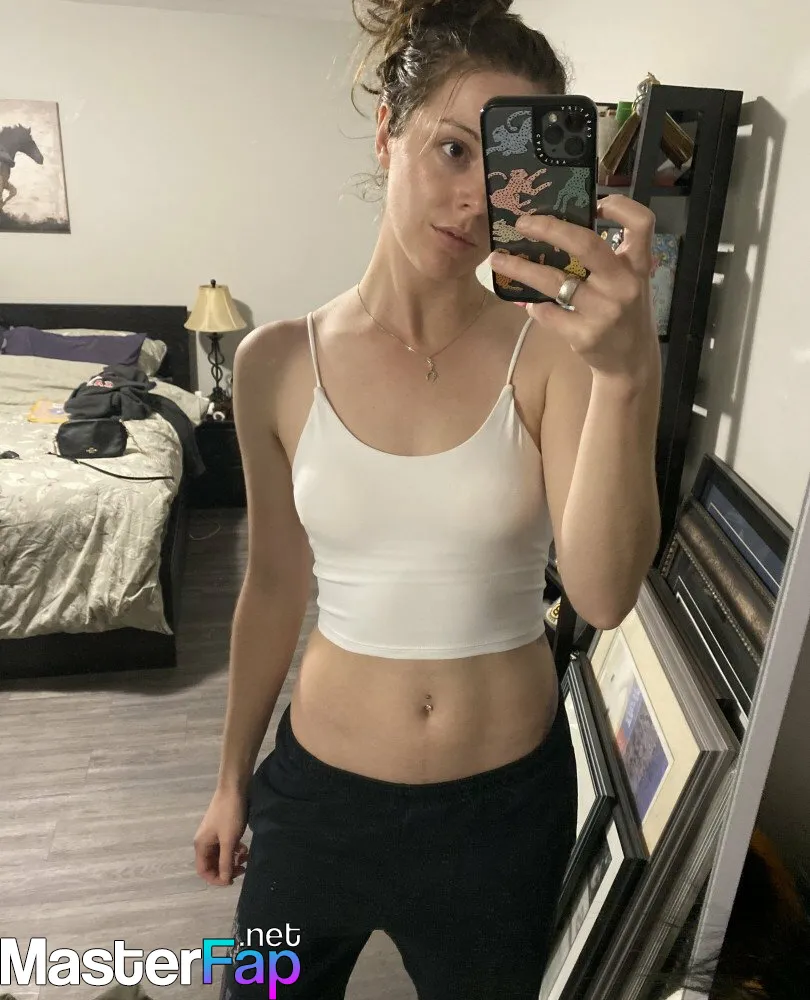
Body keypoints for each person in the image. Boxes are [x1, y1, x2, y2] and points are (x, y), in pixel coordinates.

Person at [194, 1, 661, 997]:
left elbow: (603, 593)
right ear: (387, 133)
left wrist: (630, 376)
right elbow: (273, 586)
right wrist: (231, 779)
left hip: (502, 818)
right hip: (315, 805)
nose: (474, 200)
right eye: (452, 148)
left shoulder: (556, 355)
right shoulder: (276, 361)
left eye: (507, 168)